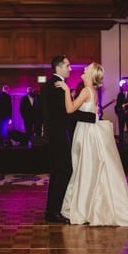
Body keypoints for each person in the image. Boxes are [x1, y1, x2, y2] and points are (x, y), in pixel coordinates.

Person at [56, 63, 128, 226]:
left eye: (87, 69)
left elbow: (70, 109)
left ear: (91, 75)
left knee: (84, 169)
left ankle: (84, 208)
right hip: (87, 130)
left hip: (86, 133)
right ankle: (92, 207)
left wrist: (65, 90)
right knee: (89, 170)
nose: (84, 69)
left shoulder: (86, 91)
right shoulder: (92, 91)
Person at [37, 55, 96, 224]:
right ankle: (54, 212)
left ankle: (51, 211)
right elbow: (66, 113)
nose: (71, 68)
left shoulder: (51, 85)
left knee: (57, 173)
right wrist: (91, 117)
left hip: (55, 135)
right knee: (64, 171)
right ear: (59, 67)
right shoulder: (56, 86)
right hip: (58, 136)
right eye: (68, 65)